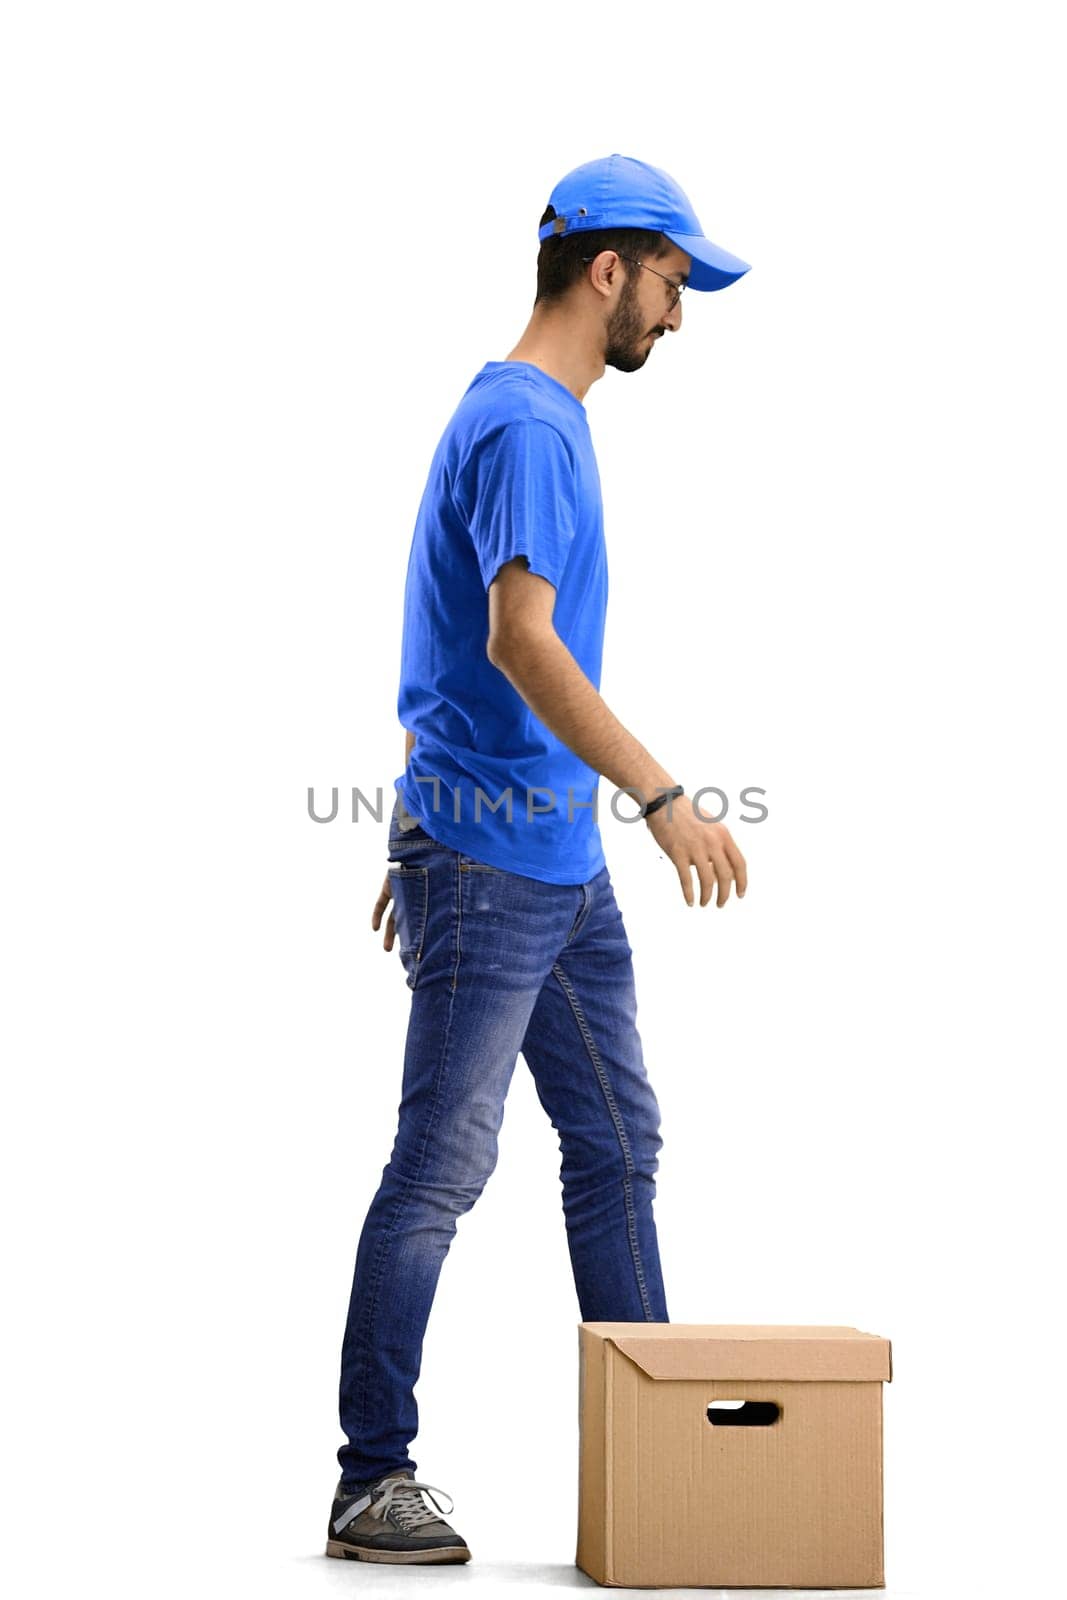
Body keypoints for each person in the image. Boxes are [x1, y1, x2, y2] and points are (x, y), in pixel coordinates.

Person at [326, 152, 751, 1565]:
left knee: (617, 1145)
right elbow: (516, 638)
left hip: (541, 862)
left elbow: (450, 644)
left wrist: (428, 817)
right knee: (442, 1167)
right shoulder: (526, 425)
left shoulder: (538, 418)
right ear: (609, 269)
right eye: (676, 281)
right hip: (501, 864)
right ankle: (369, 1478)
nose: (680, 316)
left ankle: (666, 1460)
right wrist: (664, 793)